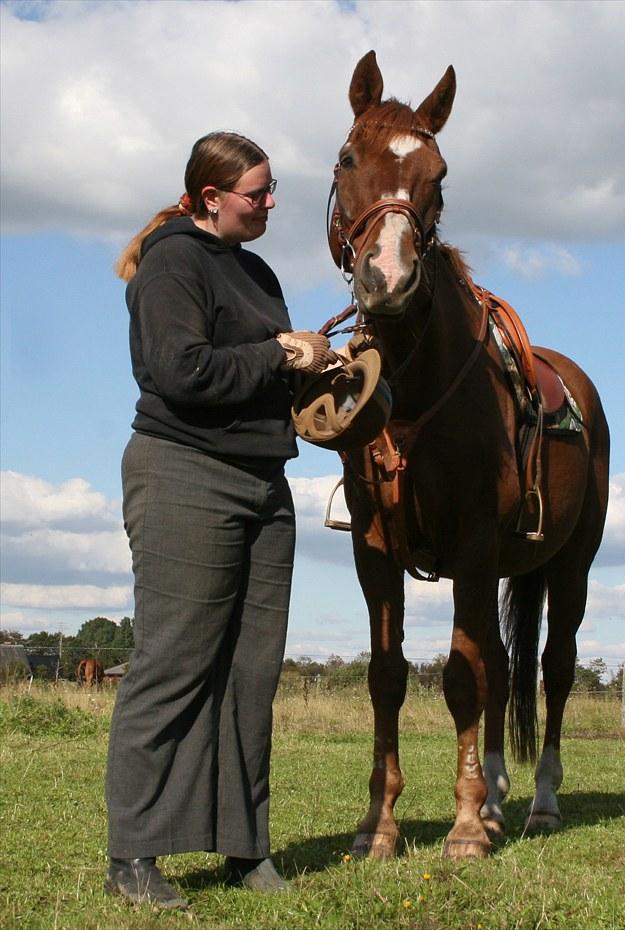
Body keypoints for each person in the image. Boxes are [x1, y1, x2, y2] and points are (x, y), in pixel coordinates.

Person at [105, 131, 336, 910]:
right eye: (256, 193)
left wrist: (323, 368)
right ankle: (133, 855)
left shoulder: (257, 272)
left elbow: (265, 375)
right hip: (185, 474)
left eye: (273, 191)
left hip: (265, 485)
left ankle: (245, 848)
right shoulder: (172, 261)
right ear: (211, 197)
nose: (270, 204)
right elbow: (181, 371)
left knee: (251, 673)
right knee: (173, 664)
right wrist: (281, 354)